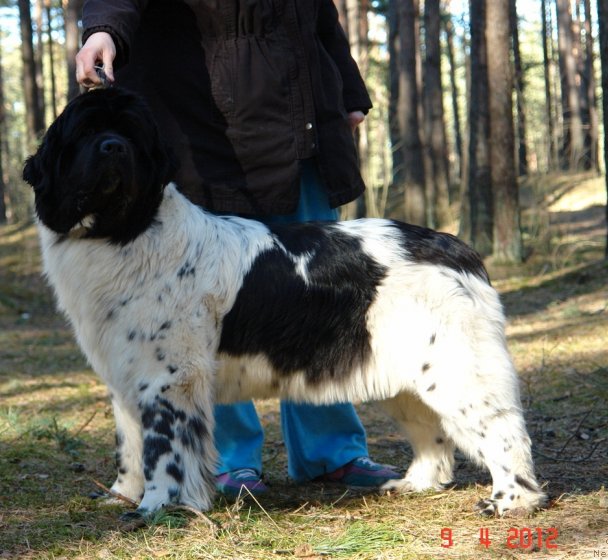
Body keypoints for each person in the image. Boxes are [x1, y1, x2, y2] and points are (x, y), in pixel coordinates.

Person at [76, 0, 400, 498]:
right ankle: (228, 457)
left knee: (317, 298)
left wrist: (347, 87)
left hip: (302, 129)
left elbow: (317, 15)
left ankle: (330, 450)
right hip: (205, 131)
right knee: (208, 307)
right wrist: (104, 31)